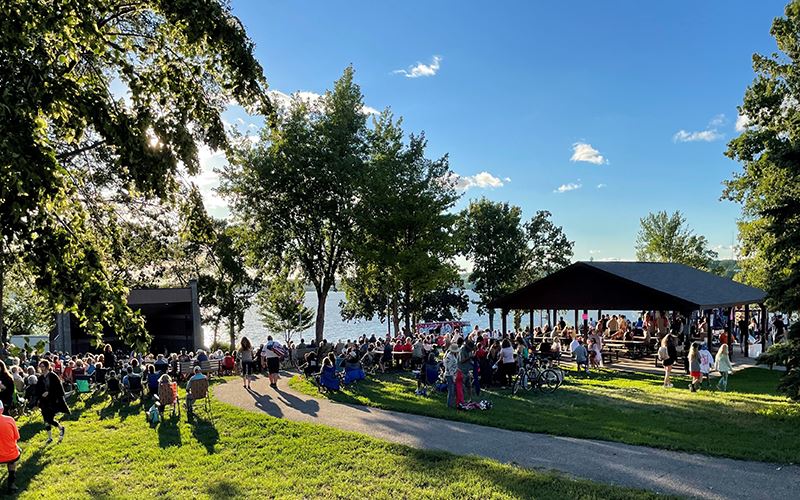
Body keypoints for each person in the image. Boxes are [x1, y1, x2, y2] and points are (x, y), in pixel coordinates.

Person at [36, 360, 69, 444]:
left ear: (47, 366)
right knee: (45, 420)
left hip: (52, 400)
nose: (41, 368)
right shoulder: (40, 378)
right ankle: (50, 437)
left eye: (43, 366)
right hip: (44, 401)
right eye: (40, 366)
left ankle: (61, 428)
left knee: (50, 419)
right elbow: (38, 389)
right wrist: (41, 395)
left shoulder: (53, 376)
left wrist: (49, 392)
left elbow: (58, 388)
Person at [0, 401, 20, 492]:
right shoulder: (10, 420)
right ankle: (11, 484)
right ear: (2, 409)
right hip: (11, 454)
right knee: (12, 461)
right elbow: (17, 437)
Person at [443, 343, 459, 408]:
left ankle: (451, 403)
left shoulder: (452, 355)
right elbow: (449, 368)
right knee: (451, 390)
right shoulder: (449, 356)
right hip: (450, 375)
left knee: (453, 390)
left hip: (452, 374)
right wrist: (453, 376)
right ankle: (449, 405)